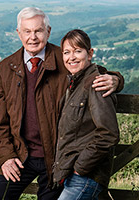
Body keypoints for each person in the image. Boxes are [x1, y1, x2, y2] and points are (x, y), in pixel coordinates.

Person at [0, 7, 124, 200]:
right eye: (27, 31)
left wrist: (115, 79)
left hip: (56, 158)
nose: (33, 37)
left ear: (48, 31)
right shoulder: (5, 68)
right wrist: (6, 156)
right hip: (21, 155)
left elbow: (93, 74)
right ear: (19, 33)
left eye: (38, 30)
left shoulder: (65, 58)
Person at [52, 29, 120, 200]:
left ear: (89, 53)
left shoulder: (96, 84)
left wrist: (80, 167)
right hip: (73, 175)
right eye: (67, 52)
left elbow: (108, 133)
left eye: (78, 51)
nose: (71, 57)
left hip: (85, 176)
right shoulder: (75, 83)